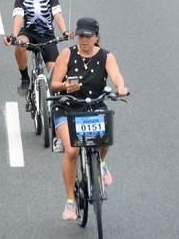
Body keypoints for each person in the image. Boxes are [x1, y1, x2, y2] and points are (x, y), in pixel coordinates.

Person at [49, 17, 129, 221]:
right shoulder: (67, 54)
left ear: (97, 37)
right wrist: (66, 87)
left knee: (105, 135)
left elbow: (116, 75)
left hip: (93, 106)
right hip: (67, 107)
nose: (83, 40)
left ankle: (101, 163)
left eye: (88, 36)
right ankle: (69, 201)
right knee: (72, 150)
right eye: (80, 36)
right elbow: (54, 84)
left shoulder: (106, 56)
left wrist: (120, 87)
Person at [3, 0, 70, 95]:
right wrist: (14, 36)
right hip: (29, 33)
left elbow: (57, 14)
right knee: (20, 44)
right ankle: (24, 78)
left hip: (47, 36)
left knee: (56, 77)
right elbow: (18, 16)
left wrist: (64, 31)